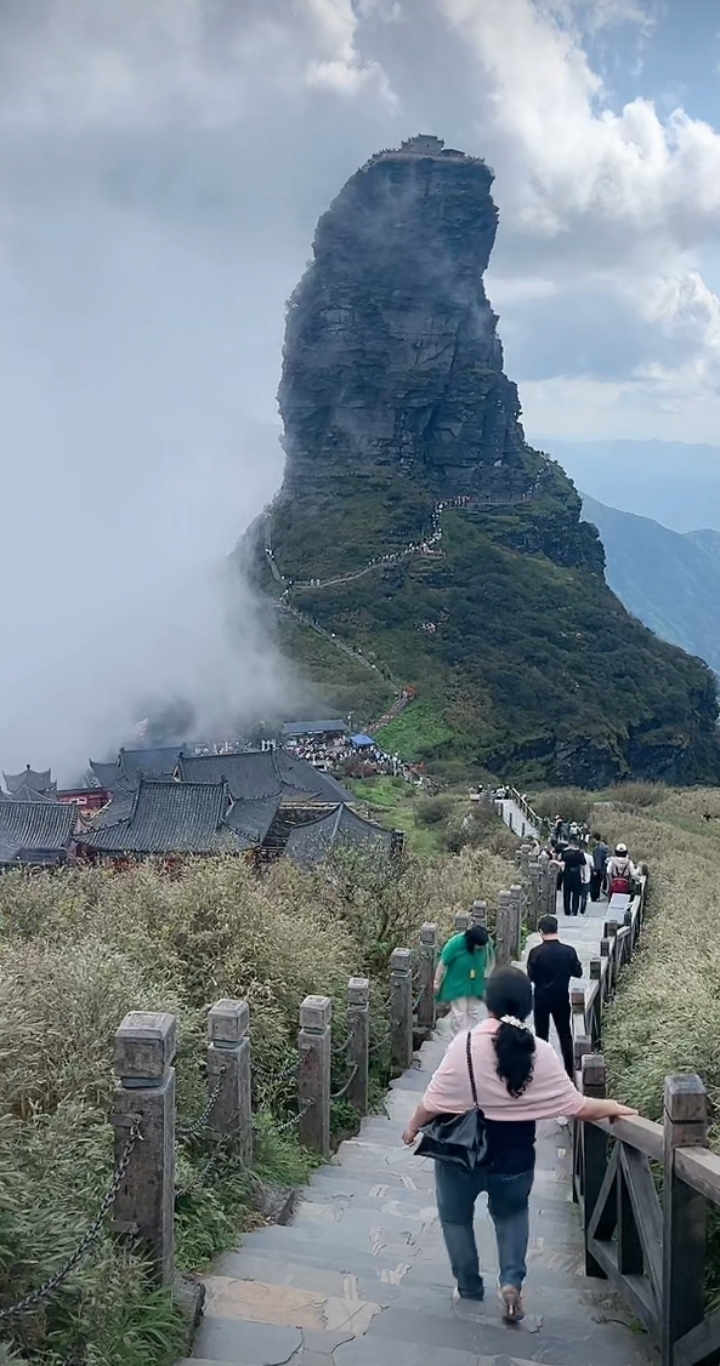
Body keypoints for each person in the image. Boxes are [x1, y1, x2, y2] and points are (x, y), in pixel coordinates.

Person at [401, 967, 636, 1321]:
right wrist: (613, 1107)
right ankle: (511, 1284)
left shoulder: (464, 1044)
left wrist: (412, 1128)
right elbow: (577, 1107)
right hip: (515, 1157)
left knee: (455, 1219)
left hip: (461, 1155)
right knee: (511, 1216)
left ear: (488, 1000)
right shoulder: (539, 1050)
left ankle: (468, 1286)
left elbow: (433, 1101)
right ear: (526, 1005)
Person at [526, 916, 583, 1077]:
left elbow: (530, 976)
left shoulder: (535, 952)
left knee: (541, 1035)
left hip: (541, 998)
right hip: (561, 997)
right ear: (557, 929)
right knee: (565, 1034)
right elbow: (578, 972)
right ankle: (569, 1070)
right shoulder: (569, 951)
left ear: (541, 931)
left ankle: (542, 1071)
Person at [434, 925, 492, 1035]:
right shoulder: (455, 944)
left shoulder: (482, 947)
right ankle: (460, 1040)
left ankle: (474, 1037)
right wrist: (436, 981)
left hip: (474, 983)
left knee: (473, 1012)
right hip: (457, 984)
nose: (482, 948)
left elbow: (485, 962)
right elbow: (443, 963)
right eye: (479, 946)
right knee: (459, 1015)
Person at [552, 836, 586, 917]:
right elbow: (583, 865)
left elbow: (563, 863)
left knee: (566, 893)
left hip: (567, 873)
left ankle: (567, 910)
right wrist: (583, 876)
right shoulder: (580, 853)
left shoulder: (565, 853)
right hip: (577, 873)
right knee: (576, 893)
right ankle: (574, 910)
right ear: (575, 844)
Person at [590, 833, 609, 902]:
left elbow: (597, 859)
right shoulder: (604, 847)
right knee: (599, 883)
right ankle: (598, 896)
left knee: (595, 884)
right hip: (603, 867)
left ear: (595, 839)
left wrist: (595, 869)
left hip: (598, 868)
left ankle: (594, 897)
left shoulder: (597, 848)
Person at [580, 847, 593, 915]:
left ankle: (575, 910)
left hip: (578, 878)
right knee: (584, 895)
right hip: (587, 878)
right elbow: (592, 866)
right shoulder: (589, 857)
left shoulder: (577, 856)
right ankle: (582, 910)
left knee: (576, 895)